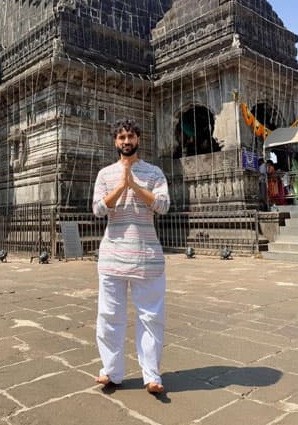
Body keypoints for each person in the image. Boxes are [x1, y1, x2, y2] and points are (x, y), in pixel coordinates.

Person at [92, 118, 170, 394]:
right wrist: (121, 186)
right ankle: (111, 372)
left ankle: (152, 375)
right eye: (122, 137)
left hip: (147, 256)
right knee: (109, 315)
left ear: (138, 139)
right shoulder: (104, 174)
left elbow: (163, 205)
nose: (126, 141)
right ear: (116, 142)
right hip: (113, 255)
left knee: (151, 317)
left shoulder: (154, 172)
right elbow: (99, 209)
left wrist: (135, 186)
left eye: (131, 136)